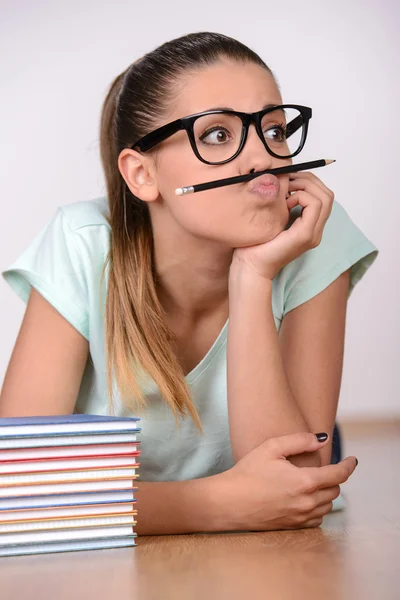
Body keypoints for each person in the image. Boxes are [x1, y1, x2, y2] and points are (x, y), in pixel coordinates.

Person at [0, 32, 378, 535]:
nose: (263, 158)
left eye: (273, 130)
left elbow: (294, 490)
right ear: (142, 175)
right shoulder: (81, 244)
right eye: (218, 135)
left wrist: (252, 276)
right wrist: (215, 505)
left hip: (191, 514)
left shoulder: (313, 233)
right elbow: (15, 492)